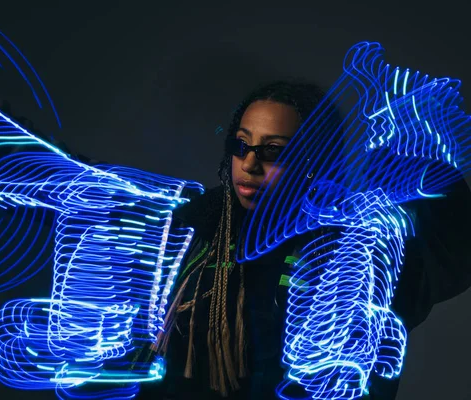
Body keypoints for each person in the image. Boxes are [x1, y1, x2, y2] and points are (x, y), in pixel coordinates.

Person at [136, 80, 471, 399]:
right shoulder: (193, 231)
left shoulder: (352, 245)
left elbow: (449, 256)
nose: (250, 164)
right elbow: (144, 356)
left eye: (273, 151)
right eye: (241, 145)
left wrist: (410, 160)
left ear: (311, 160)